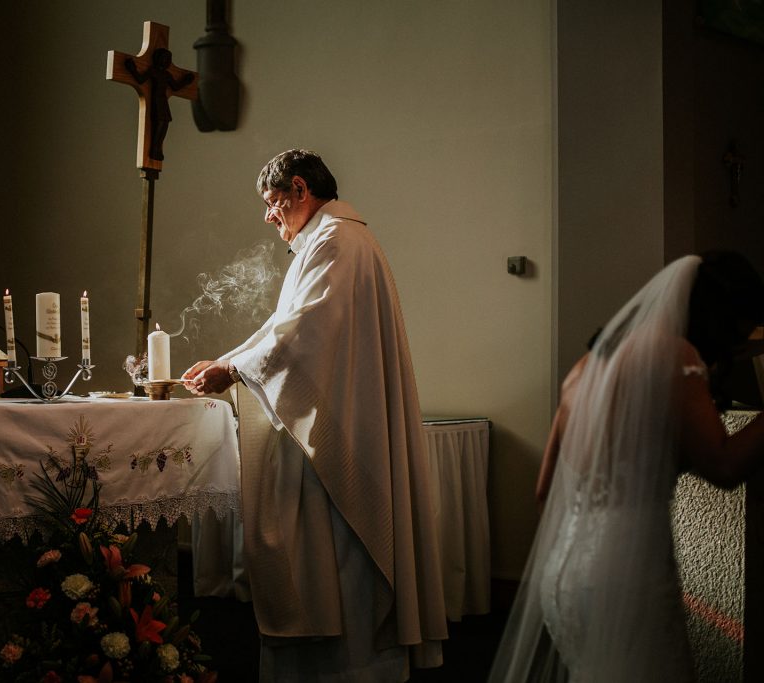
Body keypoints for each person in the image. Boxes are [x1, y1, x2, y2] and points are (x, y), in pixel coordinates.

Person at [184, 149, 447, 681]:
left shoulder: (337, 241)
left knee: (340, 557)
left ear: (300, 189)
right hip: (343, 415)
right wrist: (227, 362)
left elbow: (303, 332)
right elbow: (281, 327)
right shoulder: (334, 239)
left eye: (272, 202)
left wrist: (231, 371)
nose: (268, 216)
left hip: (339, 433)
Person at [489, 252, 764, 682]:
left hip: (562, 577)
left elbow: (545, 491)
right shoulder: (674, 355)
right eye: (738, 333)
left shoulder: (586, 366)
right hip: (625, 578)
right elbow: (725, 465)